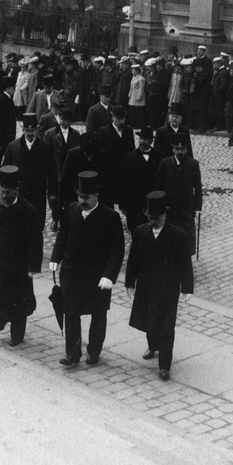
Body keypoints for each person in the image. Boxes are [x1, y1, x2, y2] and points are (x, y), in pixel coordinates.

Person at [49, 171, 125, 367]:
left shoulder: (110, 217)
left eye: (86, 197)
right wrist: (55, 258)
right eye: (80, 196)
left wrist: (109, 275)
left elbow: (117, 250)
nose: (82, 201)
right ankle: (73, 354)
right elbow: (63, 237)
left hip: (97, 277)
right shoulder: (72, 210)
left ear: (96, 196)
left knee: (98, 314)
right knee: (71, 312)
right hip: (72, 274)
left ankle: (94, 351)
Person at [125, 191, 194, 381]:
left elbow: (185, 264)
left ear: (165, 215)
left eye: (156, 217)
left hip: (168, 288)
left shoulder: (177, 235)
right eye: (150, 218)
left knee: (166, 325)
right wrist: (130, 283)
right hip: (146, 286)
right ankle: (152, 345)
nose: (153, 221)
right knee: (149, 320)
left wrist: (187, 288)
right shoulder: (140, 232)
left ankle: (164, 364)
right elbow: (133, 260)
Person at [0, 165, 44, 344]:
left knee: (18, 301)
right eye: (2, 192)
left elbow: (36, 242)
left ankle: (17, 333)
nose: (4, 196)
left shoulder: (28, 211)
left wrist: (33, 267)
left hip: (18, 265)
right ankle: (1, 320)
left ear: (17, 190)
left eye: (8, 192)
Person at [154, 132, 203, 256]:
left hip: (186, 208)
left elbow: (197, 187)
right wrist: (159, 206)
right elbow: (158, 186)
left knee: (185, 236)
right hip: (169, 207)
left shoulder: (193, 164)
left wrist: (197, 207)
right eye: (177, 149)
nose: (179, 152)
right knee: (168, 236)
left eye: (182, 149)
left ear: (186, 150)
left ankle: (184, 261)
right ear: (173, 149)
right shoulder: (165, 163)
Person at [3, 112, 55, 227]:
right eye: (27, 130)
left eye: (32, 131)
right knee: (19, 223)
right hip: (20, 192)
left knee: (37, 222)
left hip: (38, 192)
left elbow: (52, 172)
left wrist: (52, 192)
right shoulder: (13, 147)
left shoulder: (45, 147)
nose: (30, 133)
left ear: (37, 130)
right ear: (23, 130)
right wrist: (6, 190)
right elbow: (5, 169)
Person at [44, 106, 81, 231]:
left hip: (70, 171)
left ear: (70, 121)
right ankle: (55, 219)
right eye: (62, 119)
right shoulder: (50, 134)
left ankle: (66, 220)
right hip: (55, 171)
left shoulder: (76, 134)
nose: (63, 121)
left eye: (66, 120)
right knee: (54, 197)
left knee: (69, 196)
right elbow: (47, 153)